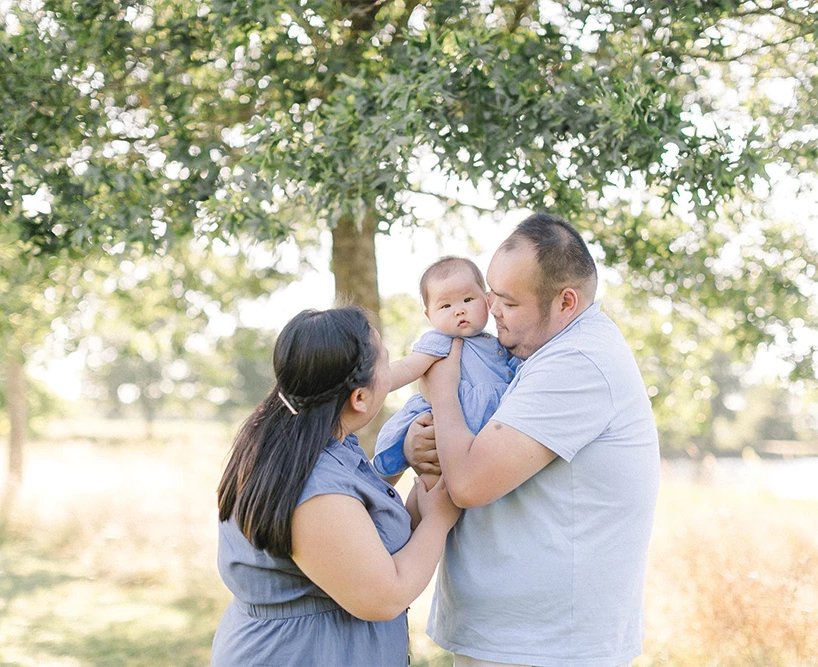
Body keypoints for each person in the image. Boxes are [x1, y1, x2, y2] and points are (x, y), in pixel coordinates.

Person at [414, 214, 661, 667]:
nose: (491, 311)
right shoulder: (532, 354)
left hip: (546, 648)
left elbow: (467, 482)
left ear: (566, 302)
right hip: (510, 639)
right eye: (490, 293)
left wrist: (442, 387)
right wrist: (421, 441)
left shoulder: (577, 361)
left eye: (507, 301)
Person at [211, 307, 461, 667]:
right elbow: (384, 597)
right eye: (385, 366)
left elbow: (353, 523)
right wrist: (439, 518)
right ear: (359, 398)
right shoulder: (313, 486)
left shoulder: (300, 440)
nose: (393, 374)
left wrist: (401, 456)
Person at [372, 256, 519, 488]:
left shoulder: (499, 343)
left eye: (468, 299)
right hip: (449, 427)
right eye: (446, 306)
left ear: (487, 300)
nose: (459, 311)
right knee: (434, 485)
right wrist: (371, 383)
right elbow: (408, 367)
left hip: (489, 439)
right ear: (429, 316)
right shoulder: (441, 342)